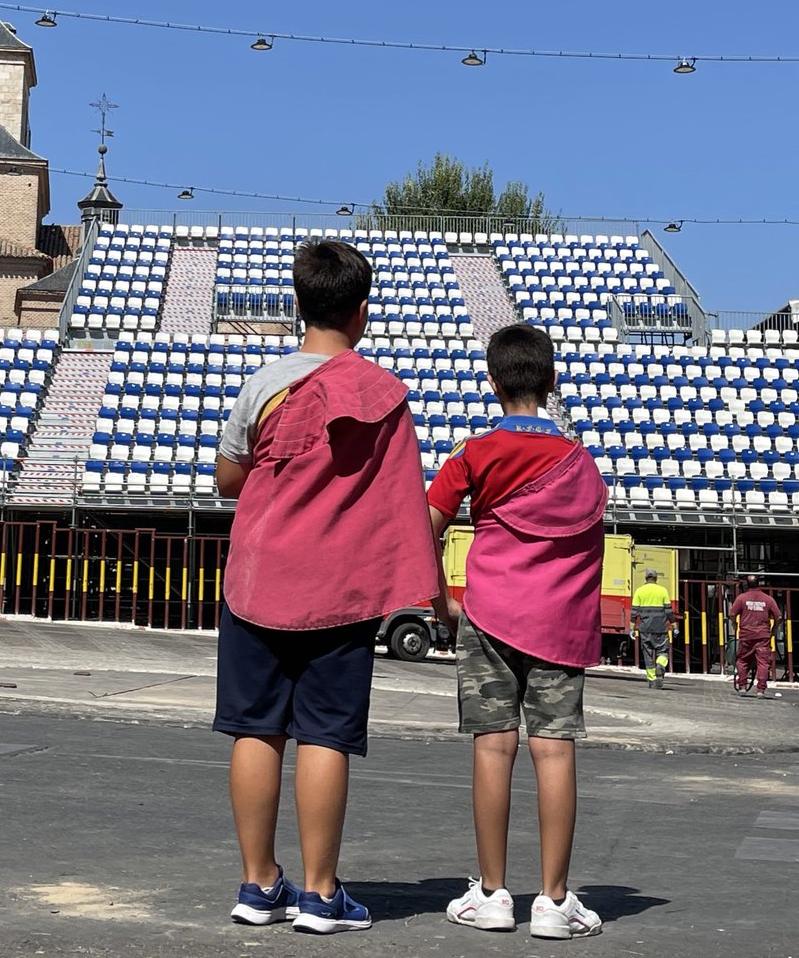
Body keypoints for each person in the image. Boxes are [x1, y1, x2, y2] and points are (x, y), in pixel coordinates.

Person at [213, 239, 452, 935]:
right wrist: (429, 594)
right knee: (325, 737)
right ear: (362, 314)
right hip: (339, 592)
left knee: (256, 729)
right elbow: (404, 500)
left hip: (258, 580)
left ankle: (258, 887)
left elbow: (231, 478)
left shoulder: (265, 383)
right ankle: (319, 895)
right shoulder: (383, 396)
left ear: (297, 304)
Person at [429, 323, 607, 940]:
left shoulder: (473, 453)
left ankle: (492, 894)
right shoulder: (582, 463)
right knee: (555, 751)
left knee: (492, 748)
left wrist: (440, 602)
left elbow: (424, 524)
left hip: (487, 617)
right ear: (552, 382)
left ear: (492, 383)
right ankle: (554, 903)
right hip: (556, 624)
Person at [728, 574, 782, 698]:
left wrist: (735, 625)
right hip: (763, 636)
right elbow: (778, 617)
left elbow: (732, 614)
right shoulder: (768, 599)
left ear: (746, 584)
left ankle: (742, 687)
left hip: (746, 635)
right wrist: (774, 630)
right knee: (762, 662)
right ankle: (760, 690)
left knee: (742, 660)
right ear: (759, 584)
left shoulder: (742, 598)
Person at [630, 569, 677, 689]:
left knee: (647, 653)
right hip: (660, 628)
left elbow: (634, 613)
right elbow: (669, 611)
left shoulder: (639, 591)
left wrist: (632, 628)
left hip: (645, 628)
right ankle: (660, 665)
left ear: (646, 578)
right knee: (662, 651)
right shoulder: (663, 591)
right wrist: (674, 626)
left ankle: (652, 680)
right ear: (656, 578)